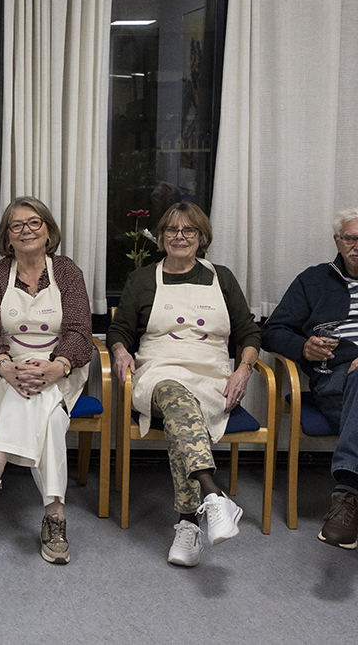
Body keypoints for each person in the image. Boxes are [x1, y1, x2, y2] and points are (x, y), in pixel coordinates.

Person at [106, 202, 260, 567]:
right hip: (158, 371)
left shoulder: (222, 277)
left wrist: (244, 370)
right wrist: (119, 351)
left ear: (201, 237)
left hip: (211, 377)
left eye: (188, 230)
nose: (180, 236)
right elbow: (120, 328)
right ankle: (213, 495)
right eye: (172, 230)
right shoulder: (143, 279)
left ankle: (189, 525)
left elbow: (248, 331)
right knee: (175, 395)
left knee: (183, 417)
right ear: (161, 237)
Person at [261, 207, 358, 593]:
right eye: (351, 238)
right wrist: (303, 347)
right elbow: (273, 331)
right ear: (337, 241)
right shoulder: (313, 280)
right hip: (336, 382)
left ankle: (346, 492)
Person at [0, 197, 92, 565]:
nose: (26, 230)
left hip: (60, 367)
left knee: (39, 396)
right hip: (6, 369)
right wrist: (5, 366)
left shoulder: (67, 271)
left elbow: (80, 330)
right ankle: (55, 517)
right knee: (50, 419)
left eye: (34, 222)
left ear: (48, 230)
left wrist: (58, 366)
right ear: (7, 236)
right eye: (16, 225)